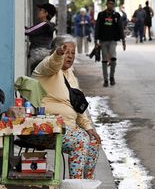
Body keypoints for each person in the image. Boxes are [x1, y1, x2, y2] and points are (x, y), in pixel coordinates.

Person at [29, 34, 101, 179]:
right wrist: (58, 54)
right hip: (46, 128)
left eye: (72, 53)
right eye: (66, 52)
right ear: (54, 51)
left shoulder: (70, 75)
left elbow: (78, 105)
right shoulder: (45, 67)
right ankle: (76, 185)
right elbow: (53, 63)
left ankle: (85, 184)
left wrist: (88, 127)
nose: (70, 56)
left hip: (67, 128)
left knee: (93, 141)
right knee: (80, 141)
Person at [94, 0, 126, 87]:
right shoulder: (101, 15)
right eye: (109, 3)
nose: (110, 5)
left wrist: (123, 40)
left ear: (114, 5)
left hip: (113, 41)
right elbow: (97, 27)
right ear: (106, 4)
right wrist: (95, 40)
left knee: (113, 58)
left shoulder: (117, 16)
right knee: (104, 60)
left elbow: (121, 28)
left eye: (112, 4)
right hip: (103, 41)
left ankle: (112, 77)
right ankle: (105, 80)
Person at [25, 3, 56, 75]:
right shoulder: (48, 25)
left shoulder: (44, 24)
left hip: (38, 53)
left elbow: (28, 31)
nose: (38, 12)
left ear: (46, 13)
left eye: (40, 10)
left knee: (33, 76)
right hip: (43, 53)